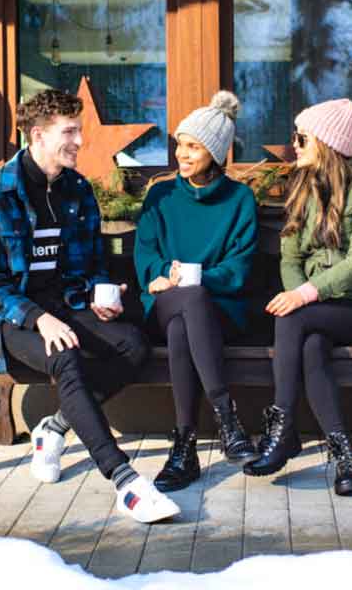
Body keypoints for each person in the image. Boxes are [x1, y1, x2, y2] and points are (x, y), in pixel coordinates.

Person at [0, 89, 180, 523]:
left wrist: (102, 296)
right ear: (38, 135)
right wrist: (37, 318)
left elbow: (92, 263)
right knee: (64, 354)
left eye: (79, 130)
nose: (80, 141)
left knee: (132, 345)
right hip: (13, 318)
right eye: (70, 132)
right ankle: (124, 481)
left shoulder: (77, 190)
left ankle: (55, 427)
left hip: (67, 306)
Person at [243, 98, 352, 496]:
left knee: (292, 317)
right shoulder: (304, 188)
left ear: (326, 143)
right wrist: (299, 294)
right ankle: (348, 460)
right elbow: (291, 255)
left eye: (302, 137)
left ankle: (284, 427)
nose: (294, 144)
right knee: (309, 347)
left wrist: (305, 295)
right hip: (315, 313)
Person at [134, 91, 260, 492]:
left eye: (193, 146)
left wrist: (197, 277)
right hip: (163, 302)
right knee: (184, 306)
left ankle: (184, 447)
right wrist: (157, 274)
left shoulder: (239, 199)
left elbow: (239, 268)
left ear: (216, 152)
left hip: (219, 311)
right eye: (179, 145)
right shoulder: (160, 195)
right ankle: (226, 417)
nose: (181, 155)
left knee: (188, 315)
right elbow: (146, 253)